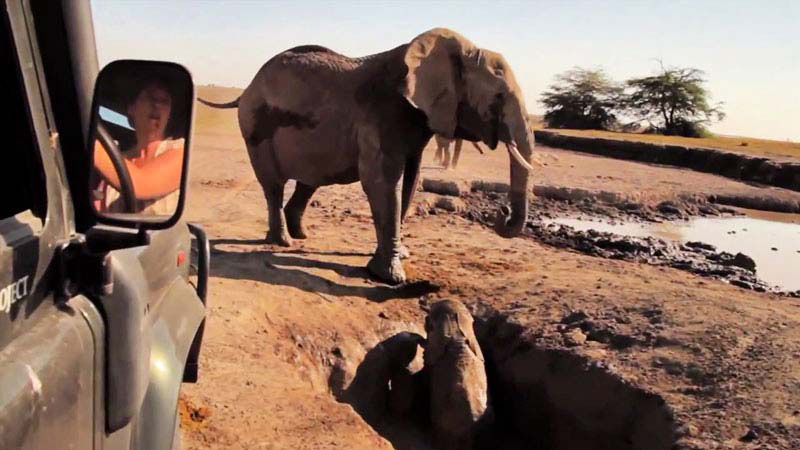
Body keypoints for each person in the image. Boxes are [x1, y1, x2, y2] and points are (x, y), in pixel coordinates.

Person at [92, 76, 185, 215]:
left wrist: (90, 140)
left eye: (164, 102)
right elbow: (97, 210)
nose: (157, 105)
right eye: (151, 98)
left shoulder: (180, 152)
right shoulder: (119, 158)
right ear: (132, 108)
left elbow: (139, 185)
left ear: (169, 114)